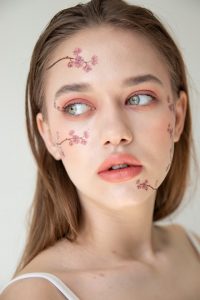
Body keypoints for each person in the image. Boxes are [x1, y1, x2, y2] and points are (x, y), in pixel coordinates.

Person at [1, 0, 200, 299]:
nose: (116, 133)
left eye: (140, 98)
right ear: (49, 135)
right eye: (77, 106)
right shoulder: (35, 295)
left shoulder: (194, 248)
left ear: (178, 115)